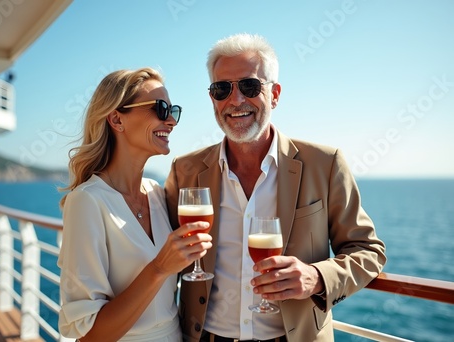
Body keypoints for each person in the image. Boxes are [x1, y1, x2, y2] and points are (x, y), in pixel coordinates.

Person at [165, 33, 387, 342]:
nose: (236, 100)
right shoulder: (185, 171)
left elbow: (368, 251)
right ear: (212, 98)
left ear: (275, 95)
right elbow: (164, 258)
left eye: (250, 86)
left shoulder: (325, 163)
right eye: (221, 89)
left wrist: (317, 277)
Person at [58, 67, 213, 342]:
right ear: (117, 119)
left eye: (173, 110)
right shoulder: (86, 201)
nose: (171, 121)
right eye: (160, 108)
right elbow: (90, 336)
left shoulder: (156, 193)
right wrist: (159, 268)